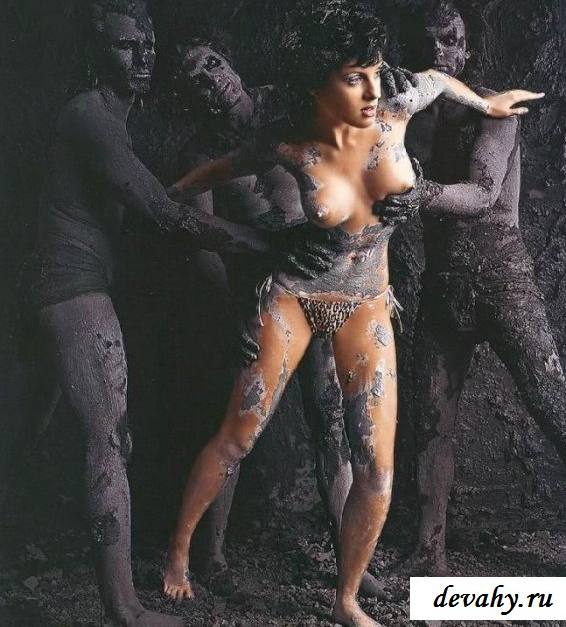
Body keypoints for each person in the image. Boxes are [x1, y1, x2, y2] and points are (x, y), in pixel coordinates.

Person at [162, 0, 541, 627]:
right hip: (295, 296)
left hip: (366, 300)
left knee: (377, 467)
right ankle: (178, 553)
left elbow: (440, 80)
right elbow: (209, 176)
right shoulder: (291, 147)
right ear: (316, 87)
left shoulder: (396, 109)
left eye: (373, 71)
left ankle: (346, 599)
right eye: (351, 78)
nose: (370, 90)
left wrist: (489, 105)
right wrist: (169, 201)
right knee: (238, 436)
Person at [31, 0, 276, 627]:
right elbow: (165, 216)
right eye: (124, 45)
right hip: (68, 283)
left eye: (147, 45)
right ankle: (125, 610)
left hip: (81, 280)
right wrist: (268, 242)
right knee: (109, 436)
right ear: (96, 52)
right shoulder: (90, 116)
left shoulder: (120, 119)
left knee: (29, 432)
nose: (142, 57)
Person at [165, 34, 415, 597]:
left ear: (231, 62)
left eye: (214, 64)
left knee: (334, 422)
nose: (212, 81)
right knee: (239, 428)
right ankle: (210, 556)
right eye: (195, 78)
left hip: (334, 280)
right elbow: (200, 234)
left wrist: (398, 203)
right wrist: (238, 297)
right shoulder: (200, 153)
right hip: (263, 291)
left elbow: (366, 141)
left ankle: (350, 565)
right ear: (186, 96)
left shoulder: (289, 105)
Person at [374, 0, 566, 576]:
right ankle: (429, 554)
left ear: (466, 48)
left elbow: (484, 193)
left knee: (555, 412)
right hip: (444, 285)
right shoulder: (403, 116)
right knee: (430, 422)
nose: (437, 52)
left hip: (502, 278)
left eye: (450, 39)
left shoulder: (495, 110)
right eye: (426, 41)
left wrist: (421, 194)